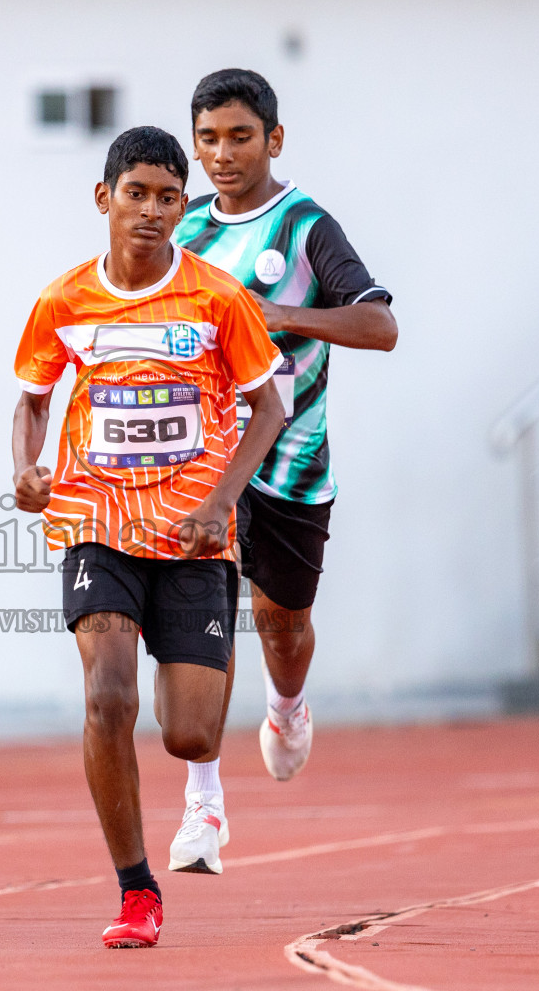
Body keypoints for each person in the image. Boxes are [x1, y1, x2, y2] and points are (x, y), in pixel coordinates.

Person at [11, 126, 285, 948]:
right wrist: (27, 467)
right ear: (105, 198)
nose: (153, 211)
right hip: (96, 523)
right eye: (137, 194)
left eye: (170, 197)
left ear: (183, 206)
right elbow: (29, 399)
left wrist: (221, 504)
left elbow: (269, 407)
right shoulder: (64, 301)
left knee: (188, 731)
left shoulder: (216, 298)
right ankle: (137, 892)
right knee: (107, 697)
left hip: (197, 536)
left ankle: (204, 783)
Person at [168, 69, 397, 867]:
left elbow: (381, 325)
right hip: (203, 461)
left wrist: (284, 315)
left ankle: (288, 705)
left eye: (238, 136)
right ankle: (203, 805)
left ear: (274, 138)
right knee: (203, 619)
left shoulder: (304, 227)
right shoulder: (184, 229)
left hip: (293, 462)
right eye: (208, 139)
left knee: (282, 624)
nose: (222, 154)